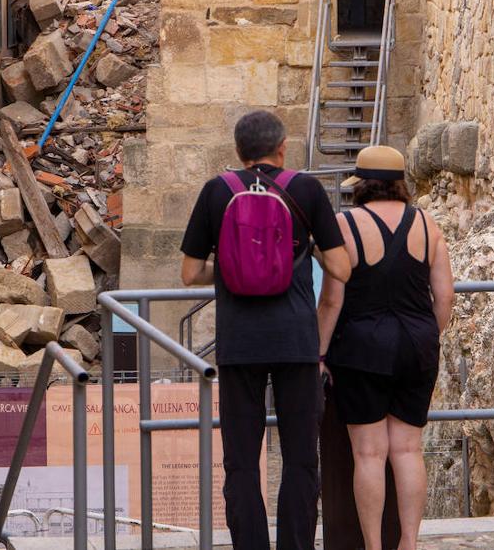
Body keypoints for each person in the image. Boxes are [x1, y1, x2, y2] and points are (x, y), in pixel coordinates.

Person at [181, 110, 351, 550]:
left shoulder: (217, 191)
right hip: (296, 341)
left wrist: (237, 268)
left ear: (238, 152)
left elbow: (189, 272)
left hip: (238, 343)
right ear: (282, 147)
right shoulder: (306, 190)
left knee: (241, 462)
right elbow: (341, 267)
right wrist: (298, 253)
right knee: (299, 458)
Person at [317, 145, 455, 550]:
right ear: (400, 185)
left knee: (370, 454)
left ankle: (374, 546)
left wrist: (320, 354)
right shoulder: (428, 224)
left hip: (361, 347)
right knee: (409, 450)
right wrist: (429, 335)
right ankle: (409, 543)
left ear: (359, 184)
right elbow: (444, 295)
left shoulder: (345, 225)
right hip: (417, 343)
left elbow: (332, 300)